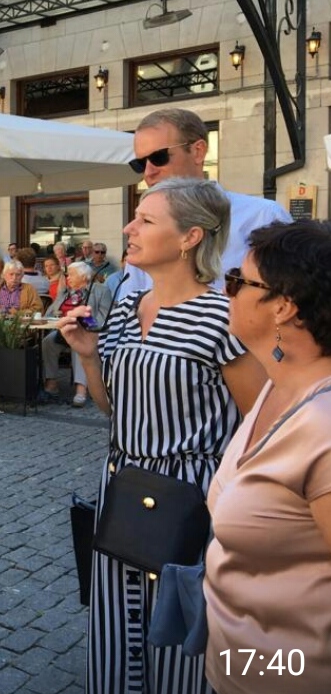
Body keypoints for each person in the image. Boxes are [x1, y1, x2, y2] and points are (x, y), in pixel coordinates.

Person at [61, 178, 265, 694]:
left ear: (190, 237)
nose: (128, 228)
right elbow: (113, 409)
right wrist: (88, 355)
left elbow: (260, 424)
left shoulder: (224, 317)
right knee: (114, 628)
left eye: (146, 220)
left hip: (190, 497)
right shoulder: (128, 309)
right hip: (122, 485)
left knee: (179, 638)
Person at [204, 220, 331, 693]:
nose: (225, 289)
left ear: (284, 305)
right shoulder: (275, 389)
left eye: (238, 281)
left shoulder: (322, 426)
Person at [116, 108, 291, 300]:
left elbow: (289, 301)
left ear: (198, 151)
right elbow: (128, 305)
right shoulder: (141, 230)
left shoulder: (262, 217)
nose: (148, 172)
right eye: (140, 164)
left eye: (159, 158)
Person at [40, 261, 110, 408]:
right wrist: (58, 315)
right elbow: (49, 313)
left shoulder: (100, 290)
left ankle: (81, 388)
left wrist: (86, 322)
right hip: (63, 331)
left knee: (77, 346)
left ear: (84, 276)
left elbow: (105, 317)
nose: (67, 277)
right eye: (67, 275)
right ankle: (52, 382)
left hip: (88, 334)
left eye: (71, 274)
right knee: (47, 342)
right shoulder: (65, 292)